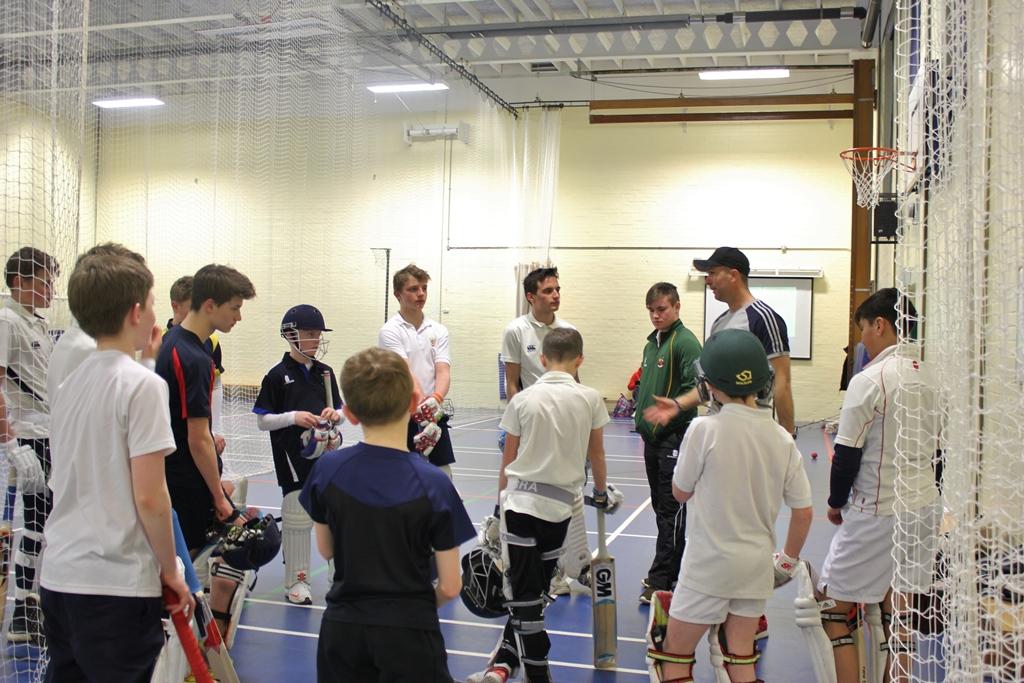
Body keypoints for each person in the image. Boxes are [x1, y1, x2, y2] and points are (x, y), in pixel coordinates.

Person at [39, 247, 192, 682]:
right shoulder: (144, 386)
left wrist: (145, 359)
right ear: (136, 311)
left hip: (61, 578)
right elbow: (150, 496)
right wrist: (169, 570)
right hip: (115, 584)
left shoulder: (71, 383)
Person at [647, 329, 813, 683]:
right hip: (755, 571)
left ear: (710, 385)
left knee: (672, 656)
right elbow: (803, 512)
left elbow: (679, 492)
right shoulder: (782, 438)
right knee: (740, 660)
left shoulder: (703, 430)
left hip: (707, 567)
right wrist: (787, 562)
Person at [300, 347, 474, 682]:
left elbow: (326, 550)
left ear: (349, 413)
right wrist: (415, 608)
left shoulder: (328, 470)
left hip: (343, 630)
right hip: (409, 633)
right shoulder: (434, 483)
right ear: (412, 403)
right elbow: (451, 586)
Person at [471, 328, 622, 683]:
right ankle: (523, 665)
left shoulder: (522, 400)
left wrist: (497, 511)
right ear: (579, 360)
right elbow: (596, 454)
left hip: (519, 507)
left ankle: (535, 671)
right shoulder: (590, 398)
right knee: (533, 592)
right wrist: (600, 492)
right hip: (558, 513)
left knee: (525, 597)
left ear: (541, 360)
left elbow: (507, 461)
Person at [817, 288, 938, 683]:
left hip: (877, 511)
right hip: (923, 510)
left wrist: (835, 503)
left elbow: (847, 453)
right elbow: (941, 455)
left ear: (881, 325)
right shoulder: (933, 376)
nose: (863, 340)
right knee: (898, 611)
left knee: (833, 609)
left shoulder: (871, 380)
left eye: (865, 329)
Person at [155, 264, 255, 642]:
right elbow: (196, 438)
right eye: (234, 307)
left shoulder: (182, 345)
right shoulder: (191, 357)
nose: (238, 316)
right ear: (210, 305)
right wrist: (219, 497)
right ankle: (184, 648)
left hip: (180, 471)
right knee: (191, 562)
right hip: (183, 477)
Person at [645, 247, 795, 438]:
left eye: (712, 273)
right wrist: (678, 404)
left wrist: (787, 438)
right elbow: (712, 384)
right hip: (719, 428)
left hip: (750, 432)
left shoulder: (763, 319)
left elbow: (783, 383)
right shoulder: (719, 323)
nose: (707, 281)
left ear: (733, 275)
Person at [501, 266, 584, 596]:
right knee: (526, 500)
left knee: (564, 502)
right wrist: (518, 422)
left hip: (564, 428)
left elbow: (575, 381)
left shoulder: (568, 331)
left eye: (558, 289)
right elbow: (511, 381)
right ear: (531, 297)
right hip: (529, 424)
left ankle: (557, 573)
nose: (556, 295)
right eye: (549, 291)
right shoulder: (516, 331)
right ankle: (520, 568)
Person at [253, 304, 341, 605]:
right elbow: (263, 420)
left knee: (333, 515)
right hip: (291, 458)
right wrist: (294, 417)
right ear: (291, 335)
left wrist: (335, 415)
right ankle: (297, 582)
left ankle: (338, 578)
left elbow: (340, 411)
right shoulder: (277, 376)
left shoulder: (326, 373)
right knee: (297, 517)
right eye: (310, 334)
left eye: (318, 335)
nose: (316, 340)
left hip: (326, 457)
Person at [0, 246, 59, 644]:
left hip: (49, 433)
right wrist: (9, 444)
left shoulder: (34, 323)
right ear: (20, 282)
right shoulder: (6, 321)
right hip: (29, 437)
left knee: (46, 525)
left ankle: (31, 607)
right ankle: (23, 611)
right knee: (36, 526)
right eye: (44, 282)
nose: (50, 290)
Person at [632, 282, 702, 605]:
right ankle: (672, 572)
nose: (656, 315)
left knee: (671, 511)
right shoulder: (652, 344)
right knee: (662, 508)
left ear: (676, 307)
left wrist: (670, 414)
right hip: (651, 438)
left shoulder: (685, 343)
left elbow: (696, 389)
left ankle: (663, 580)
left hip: (674, 438)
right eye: (651, 310)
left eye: (661, 309)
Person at [377, 264, 454, 476]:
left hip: (432, 410)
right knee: (403, 476)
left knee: (443, 474)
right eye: (413, 289)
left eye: (424, 288)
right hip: (402, 416)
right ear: (397, 295)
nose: (420, 294)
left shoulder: (438, 330)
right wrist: (423, 406)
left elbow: (443, 370)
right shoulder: (390, 331)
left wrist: (436, 399)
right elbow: (406, 372)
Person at [167, 275, 227, 456]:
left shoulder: (212, 341)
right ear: (175, 306)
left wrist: (213, 430)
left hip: (200, 432)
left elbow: (215, 385)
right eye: (191, 308)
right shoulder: (161, 341)